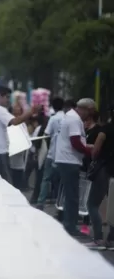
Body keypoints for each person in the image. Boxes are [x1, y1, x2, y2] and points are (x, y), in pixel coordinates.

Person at [54, 98, 95, 236]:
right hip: (69, 160)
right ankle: (70, 227)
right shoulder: (74, 119)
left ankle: (68, 224)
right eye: (89, 112)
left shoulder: (70, 116)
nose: (88, 116)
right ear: (84, 109)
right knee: (72, 196)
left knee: (70, 194)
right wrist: (89, 150)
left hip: (66, 159)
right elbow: (75, 142)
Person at [85, 103, 114, 248]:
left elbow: (95, 151)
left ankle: (97, 238)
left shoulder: (105, 130)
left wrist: (93, 155)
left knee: (92, 204)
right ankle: (111, 239)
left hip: (104, 170)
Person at [35, 97, 67, 209]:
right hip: (63, 155)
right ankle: (60, 204)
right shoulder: (67, 118)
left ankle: (40, 202)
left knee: (46, 179)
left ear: (53, 107)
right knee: (61, 181)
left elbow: (46, 134)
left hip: (52, 153)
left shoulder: (53, 119)